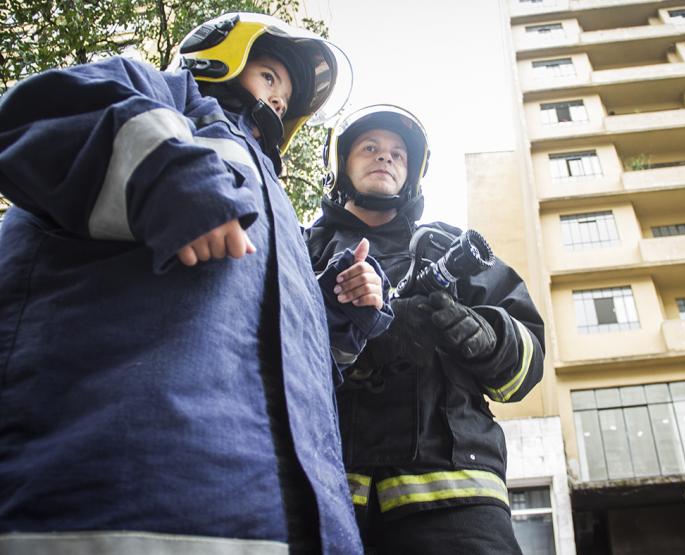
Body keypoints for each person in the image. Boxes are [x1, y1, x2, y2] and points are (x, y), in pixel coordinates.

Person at [0, 12, 387, 555]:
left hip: (288, 524)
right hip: (124, 501)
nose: (277, 102)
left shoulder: (276, 205)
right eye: (271, 77)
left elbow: (263, 345)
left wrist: (335, 310)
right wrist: (162, 170)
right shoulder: (165, 94)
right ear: (220, 55)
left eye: (285, 97)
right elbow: (32, 114)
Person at [307, 105, 546, 554]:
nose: (386, 158)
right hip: (325, 490)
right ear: (340, 164)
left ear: (412, 173)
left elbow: (527, 366)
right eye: (370, 147)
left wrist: (489, 339)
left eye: (399, 153)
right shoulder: (303, 249)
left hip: (458, 497)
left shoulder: (450, 248)